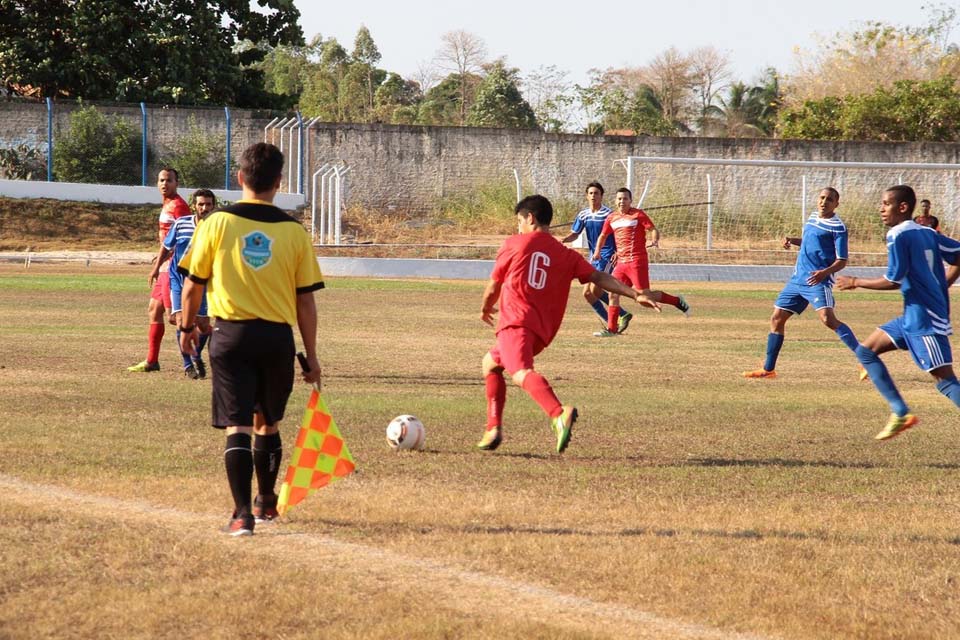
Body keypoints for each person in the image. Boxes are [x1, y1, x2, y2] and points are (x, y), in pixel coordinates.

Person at [177, 143, 324, 536]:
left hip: (230, 335)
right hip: (277, 338)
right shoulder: (294, 231)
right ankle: (266, 503)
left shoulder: (216, 224)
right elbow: (305, 302)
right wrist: (310, 356)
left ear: (239, 178)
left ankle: (241, 514)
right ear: (279, 182)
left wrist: (188, 329)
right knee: (268, 422)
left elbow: (193, 285)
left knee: (237, 425)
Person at [477, 194, 658, 453]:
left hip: (515, 323)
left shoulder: (514, 243)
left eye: (520, 221)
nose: (518, 227)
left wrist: (485, 308)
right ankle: (493, 427)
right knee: (490, 364)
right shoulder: (565, 254)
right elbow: (598, 276)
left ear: (530, 218)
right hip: (543, 332)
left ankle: (558, 413)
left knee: (520, 373)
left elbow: (495, 283)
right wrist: (635, 293)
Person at [837, 185, 960, 440]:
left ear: (902, 207)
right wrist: (941, 285)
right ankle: (900, 411)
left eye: (885, 204)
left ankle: (901, 412)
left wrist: (856, 281)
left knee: (944, 380)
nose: (881, 209)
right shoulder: (926, 232)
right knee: (865, 351)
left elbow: (894, 279)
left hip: (926, 320)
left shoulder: (898, 235)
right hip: (911, 317)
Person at [743, 188, 864, 380]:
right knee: (776, 319)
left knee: (828, 319)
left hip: (817, 281)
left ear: (836, 204)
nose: (824, 202)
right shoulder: (813, 217)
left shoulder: (838, 227)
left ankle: (866, 360)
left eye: (829, 199)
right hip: (797, 279)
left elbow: (842, 260)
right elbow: (809, 241)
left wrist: (823, 273)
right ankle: (768, 369)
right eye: (822, 198)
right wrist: (793, 240)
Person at [590, 187, 690, 337]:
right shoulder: (612, 218)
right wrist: (597, 251)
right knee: (613, 293)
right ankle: (611, 329)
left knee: (644, 298)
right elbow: (603, 236)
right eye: (619, 198)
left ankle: (677, 301)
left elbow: (653, 229)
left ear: (630, 201)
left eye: (625, 198)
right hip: (621, 264)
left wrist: (654, 240)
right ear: (615, 201)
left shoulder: (638, 215)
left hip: (637, 261)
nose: (622, 201)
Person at [149, 189, 217, 379]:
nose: (204, 208)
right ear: (194, 205)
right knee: (180, 321)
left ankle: (195, 355)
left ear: (214, 206)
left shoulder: (217, 229)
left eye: (208, 204)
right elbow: (167, 246)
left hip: (203, 281)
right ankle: (189, 364)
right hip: (178, 279)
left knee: (203, 325)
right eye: (201, 204)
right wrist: (156, 268)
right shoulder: (181, 224)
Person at [128, 168, 191, 372]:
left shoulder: (179, 206)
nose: (165, 184)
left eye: (169, 180)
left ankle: (196, 357)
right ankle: (152, 361)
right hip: (164, 264)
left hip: (171, 268)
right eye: (162, 180)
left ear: (177, 183)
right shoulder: (167, 204)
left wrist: (160, 265)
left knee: (176, 318)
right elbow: (167, 239)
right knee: (154, 310)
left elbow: (183, 237)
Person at [561, 182, 632, 333]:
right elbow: (575, 233)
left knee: (594, 288)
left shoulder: (608, 214)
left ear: (601, 196)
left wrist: (617, 252)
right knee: (587, 293)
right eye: (591, 193)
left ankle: (617, 319)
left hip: (607, 255)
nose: (593, 196)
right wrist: (563, 240)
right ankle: (619, 317)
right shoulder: (583, 214)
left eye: (597, 193)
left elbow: (620, 233)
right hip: (594, 257)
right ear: (587, 196)